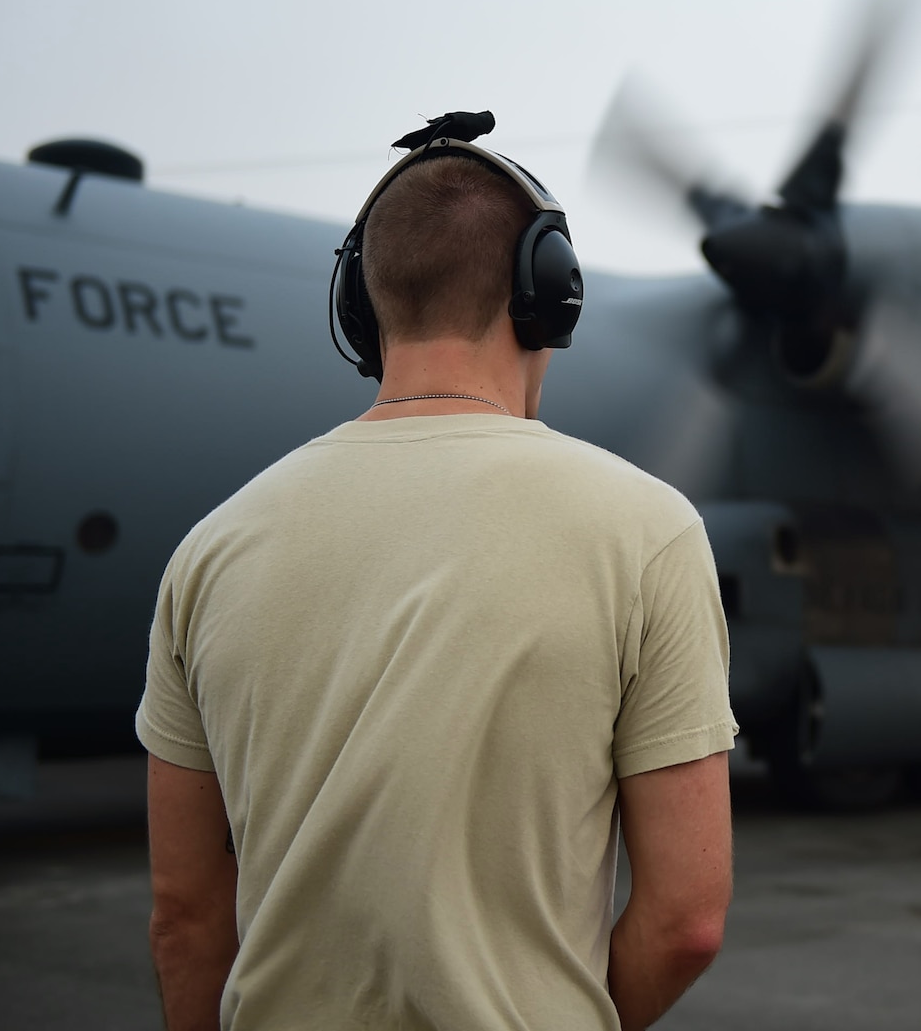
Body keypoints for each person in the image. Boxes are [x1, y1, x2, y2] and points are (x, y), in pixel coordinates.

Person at [137, 123, 736, 1030]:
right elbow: (686, 922)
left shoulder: (210, 550)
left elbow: (183, 919)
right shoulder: (649, 532)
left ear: (359, 308)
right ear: (549, 297)